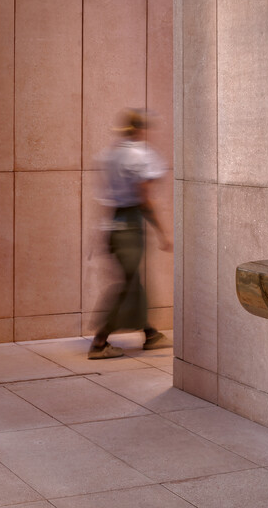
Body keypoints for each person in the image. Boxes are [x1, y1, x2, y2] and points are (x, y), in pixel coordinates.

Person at [88, 109, 172, 359]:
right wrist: (162, 232)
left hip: (114, 222)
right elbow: (144, 198)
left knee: (133, 281)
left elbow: (106, 196)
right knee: (129, 285)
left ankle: (150, 334)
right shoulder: (141, 155)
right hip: (132, 223)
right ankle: (100, 341)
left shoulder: (109, 155)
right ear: (140, 129)